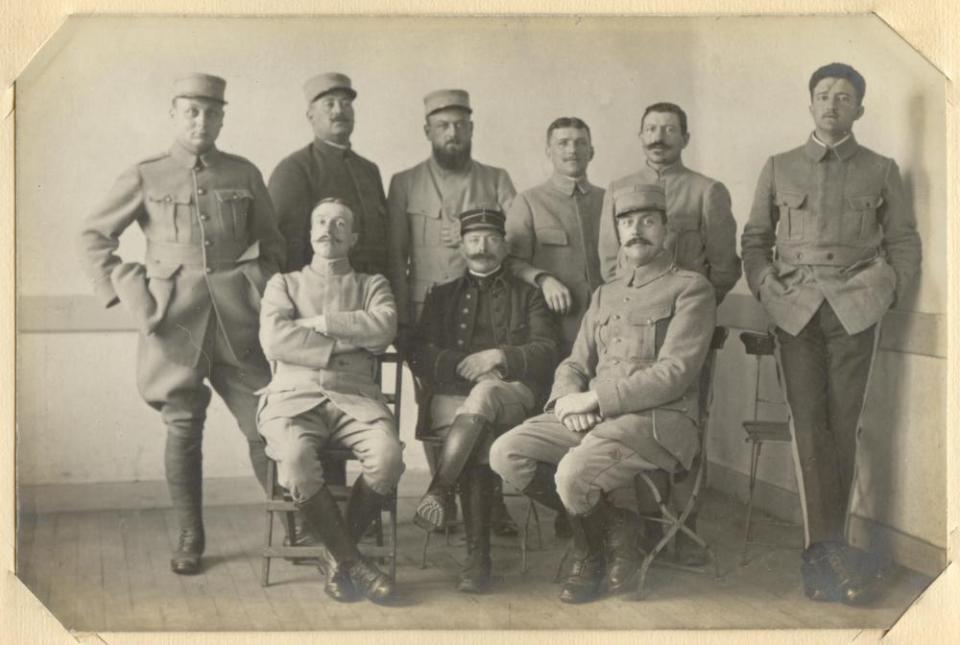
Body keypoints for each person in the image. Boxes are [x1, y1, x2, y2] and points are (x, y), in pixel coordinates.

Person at [78, 74, 286, 575]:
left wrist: (258, 286)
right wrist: (129, 292)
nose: (201, 121)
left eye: (211, 112)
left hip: (238, 323)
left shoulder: (244, 171)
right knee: (184, 427)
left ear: (222, 117)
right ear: (173, 113)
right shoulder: (147, 175)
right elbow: (93, 238)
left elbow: (273, 243)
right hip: (174, 324)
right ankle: (191, 534)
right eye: (191, 111)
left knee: (267, 426)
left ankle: (292, 521)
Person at [741, 63, 921, 605]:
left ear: (859, 110)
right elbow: (753, 242)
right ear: (810, 104)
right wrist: (770, 291)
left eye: (845, 97)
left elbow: (904, 244)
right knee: (809, 432)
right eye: (824, 95)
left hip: (854, 309)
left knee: (845, 427)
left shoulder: (882, 169)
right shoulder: (778, 166)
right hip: (795, 310)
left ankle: (828, 551)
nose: (833, 104)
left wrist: (885, 291)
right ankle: (827, 553)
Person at [491, 184, 716, 604]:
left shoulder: (690, 288)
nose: (636, 230)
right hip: (595, 418)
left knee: (572, 474)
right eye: (627, 222)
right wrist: (564, 400)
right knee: (506, 452)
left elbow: (675, 374)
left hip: (657, 422)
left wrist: (594, 400)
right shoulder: (605, 293)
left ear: (665, 228)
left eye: (648, 221)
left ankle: (588, 554)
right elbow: (575, 362)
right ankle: (616, 529)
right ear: (617, 230)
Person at [595, 102, 741, 562]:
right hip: (629, 336)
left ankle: (682, 528)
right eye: (651, 129)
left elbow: (724, 266)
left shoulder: (706, 191)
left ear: (685, 138)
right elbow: (606, 263)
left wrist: (688, 317)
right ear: (640, 136)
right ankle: (638, 526)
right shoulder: (616, 189)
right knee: (627, 420)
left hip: (683, 337)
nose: (660, 136)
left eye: (670, 129)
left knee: (682, 422)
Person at [257, 199, 403, 605]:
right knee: (294, 459)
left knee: (388, 456)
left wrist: (319, 325)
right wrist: (347, 340)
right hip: (293, 398)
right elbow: (274, 340)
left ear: (353, 238)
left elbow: (383, 329)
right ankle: (352, 561)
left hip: (354, 396)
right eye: (320, 221)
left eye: (340, 223)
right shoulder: (283, 284)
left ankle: (337, 557)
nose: (329, 229)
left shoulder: (374, 285)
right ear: (309, 232)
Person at [387, 88, 519, 535]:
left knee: (491, 402)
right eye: (443, 125)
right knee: (434, 405)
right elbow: (396, 257)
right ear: (428, 131)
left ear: (472, 129)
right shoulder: (404, 183)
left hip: (490, 314)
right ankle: (445, 502)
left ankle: (493, 503)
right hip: (431, 318)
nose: (453, 133)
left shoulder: (497, 179)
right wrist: (403, 322)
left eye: (461, 125)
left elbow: (515, 247)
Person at [407, 206, 559, 592]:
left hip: (511, 393)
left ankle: (440, 491)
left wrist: (499, 358)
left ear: (505, 246)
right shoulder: (441, 296)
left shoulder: (529, 295)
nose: (482, 247)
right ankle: (478, 561)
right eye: (474, 239)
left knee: (487, 392)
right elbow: (419, 351)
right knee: (478, 436)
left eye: (492, 238)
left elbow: (546, 350)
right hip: (454, 398)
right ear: (461, 246)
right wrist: (462, 364)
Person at [505, 116, 604, 537]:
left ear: (592, 151)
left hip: (603, 336)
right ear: (548, 151)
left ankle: (591, 499)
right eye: (562, 142)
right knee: (555, 421)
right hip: (554, 333)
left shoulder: (608, 199)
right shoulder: (528, 202)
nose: (572, 150)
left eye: (580, 142)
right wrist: (542, 278)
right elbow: (508, 261)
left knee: (599, 420)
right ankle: (567, 510)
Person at [269, 73, 388, 275]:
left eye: (346, 104)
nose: (339, 111)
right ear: (311, 116)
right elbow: (285, 250)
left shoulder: (369, 170)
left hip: (374, 293)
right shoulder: (294, 169)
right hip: (321, 295)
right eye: (329, 104)